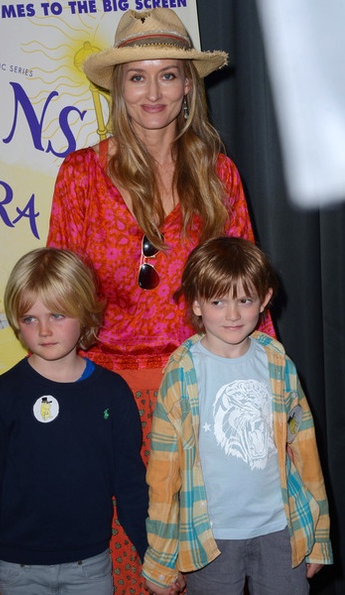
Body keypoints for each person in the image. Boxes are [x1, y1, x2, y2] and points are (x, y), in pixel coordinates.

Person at [47, 7, 275, 593]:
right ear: (118, 88)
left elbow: (244, 290)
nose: (153, 93)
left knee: (209, 568)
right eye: (138, 76)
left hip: (204, 394)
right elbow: (59, 299)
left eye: (168, 75)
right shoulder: (80, 175)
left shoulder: (220, 173)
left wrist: (271, 400)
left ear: (188, 86)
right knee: (130, 567)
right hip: (107, 400)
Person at [143, 236, 333, 595]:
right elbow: (163, 473)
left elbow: (305, 451)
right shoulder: (182, 372)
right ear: (196, 303)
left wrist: (318, 535)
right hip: (209, 537)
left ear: (264, 299)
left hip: (281, 531)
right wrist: (161, 558)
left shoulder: (277, 364)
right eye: (218, 301)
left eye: (244, 300)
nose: (232, 315)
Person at [0, 247, 148, 595]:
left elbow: (130, 486)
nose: (44, 330)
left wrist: (152, 556)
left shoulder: (112, 393)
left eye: (57, 315)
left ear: (84, 312)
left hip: (90, 568)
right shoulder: (2, 395)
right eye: (30, 319)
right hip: (16, 571)